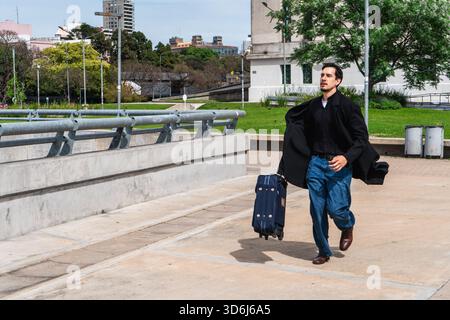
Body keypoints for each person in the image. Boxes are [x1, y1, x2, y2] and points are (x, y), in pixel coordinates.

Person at [278, 63, 389, 265]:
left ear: (337, 81)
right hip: (316, 165)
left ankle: (347, 225)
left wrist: (346, 157)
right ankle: (323, 250)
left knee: (337, 209)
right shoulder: (312, 107)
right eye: (322, 75)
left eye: (328, 75)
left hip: (339, 166)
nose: (323, 78)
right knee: (317, 209)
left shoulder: (348, 107)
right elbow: (298, 126)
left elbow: (361, 138)